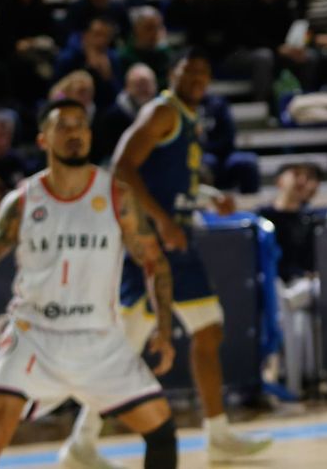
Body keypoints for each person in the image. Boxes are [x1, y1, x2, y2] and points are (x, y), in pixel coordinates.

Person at [0, 99, 179, 469]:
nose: (74, 134)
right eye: (63, 126)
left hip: (97, 339)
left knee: (161, 430)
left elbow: (154, 262)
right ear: (43, 139)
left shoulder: (117, 196)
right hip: (32, 334)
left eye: (80, 126)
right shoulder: (22, 201)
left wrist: (164, 325)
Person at [66, 51, 269, 463]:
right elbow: (122, 167)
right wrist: (161, 222)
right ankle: (82, 441)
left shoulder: (191, 119)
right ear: (171, 74)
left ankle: (215, 433)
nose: (196, 78)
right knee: (141, 344)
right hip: (154, 244)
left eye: (203, 72)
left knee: (198, 332)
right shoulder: (161, 111)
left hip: (174, 238)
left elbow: (169, 181)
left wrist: (209, 198)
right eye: (188, 71)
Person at [259, 161, 323, 395]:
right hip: (271, 287)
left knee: (305, 306)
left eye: (307, 177)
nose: (301, 181)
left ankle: (307, 377)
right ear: (279, 181)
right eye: (295, 174)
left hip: (302, 287)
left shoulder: (311, 220)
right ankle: (286, 379)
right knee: (284, 305)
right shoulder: (261, 219)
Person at [94, 64, 158, 168]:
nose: (144, 89)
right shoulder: (112, 117)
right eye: (139, 84)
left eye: (148, 84)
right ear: (127, 87)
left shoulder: (162, 112)